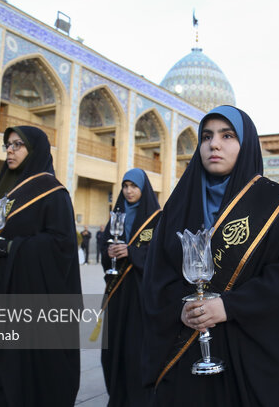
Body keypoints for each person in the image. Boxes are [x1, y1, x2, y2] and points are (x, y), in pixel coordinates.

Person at [142, 106, 279, 406]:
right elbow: (157, 275)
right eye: (206, 136)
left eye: (227, 135)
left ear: (245, 144)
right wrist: (179, 310)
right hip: (183, 348)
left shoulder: (277, 206)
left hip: (246, 353)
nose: (214, 144)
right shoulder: (178, 204)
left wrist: (228, 306)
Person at [0, 126, 82, 407]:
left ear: (34, 149)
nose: (10, 151)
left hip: (24, 300)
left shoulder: (53, 193)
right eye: (7, 145)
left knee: (13, 377)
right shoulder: (4, 191)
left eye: (17, 145)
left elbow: (61, 246)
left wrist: (13, 248)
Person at [98, 168, 161, 406]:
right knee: (114, 345)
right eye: (125, 186)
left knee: (136, 345)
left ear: (143, 189)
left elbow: (161, 255)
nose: (129, 191)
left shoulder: (156, 218)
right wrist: (110, 252)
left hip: (140, 294)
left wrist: (132, 252)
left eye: (133, 186)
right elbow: (105, 246)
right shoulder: (117, 214)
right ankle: (118, 393)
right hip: (118, 293)